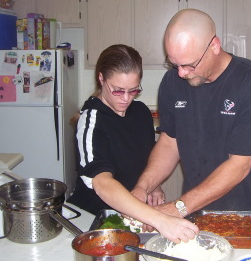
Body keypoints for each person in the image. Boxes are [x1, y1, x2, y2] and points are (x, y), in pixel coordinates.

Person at [132, 9, 251, 224]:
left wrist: (178, 207)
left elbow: (239, 165)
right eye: (174, 64)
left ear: (214, 47)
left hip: (247, 216)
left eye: (190, 64)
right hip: (196, 213)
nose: (181, 73)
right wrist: (143, 188)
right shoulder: (172, 83)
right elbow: (169, 143)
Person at [67, 44, 198, 242]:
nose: (126, 99)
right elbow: (103, 183)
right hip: (93, 220)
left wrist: (153, 186)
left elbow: (145, 161)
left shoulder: (141, 113)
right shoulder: (91, 121)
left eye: (133, 90)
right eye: (118, 91)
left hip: (134, 218)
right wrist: (161, 220)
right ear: (101, 79)